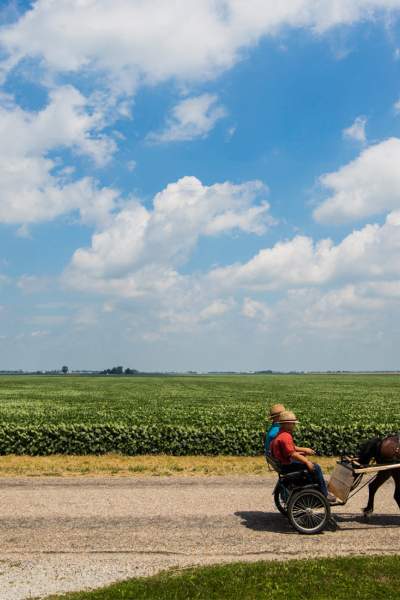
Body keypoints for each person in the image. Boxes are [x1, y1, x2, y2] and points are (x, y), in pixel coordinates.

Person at [270, 410, 335, 502]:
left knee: (307, 461)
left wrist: (304, 450)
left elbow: (292, 448)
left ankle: (317, 484)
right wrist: (306, 462)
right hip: (287, 465)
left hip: (283, 463)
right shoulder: (286, 437)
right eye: (293, 423)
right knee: (316, 467)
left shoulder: (281, 433)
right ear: (287, 424)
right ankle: (324, 494)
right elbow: (292, 454)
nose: (294, 425)